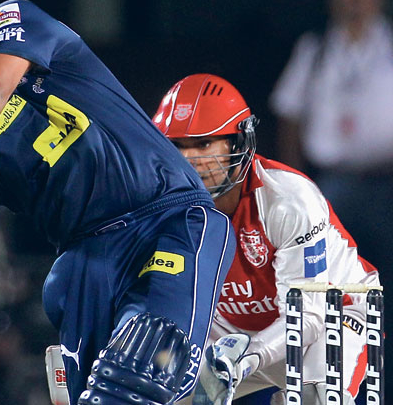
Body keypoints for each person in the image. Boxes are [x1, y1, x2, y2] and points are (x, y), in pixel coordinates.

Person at [0, 0, 236, 404]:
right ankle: (210, 378)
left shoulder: (10, 23)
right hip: (85, 258)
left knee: (137, 378)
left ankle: (216, 372)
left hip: (162, 218)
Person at [152, 73, 380, 404]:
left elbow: (308, 319)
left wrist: (249, 355)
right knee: (154, 388)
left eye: (203, 144)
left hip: (334, 315)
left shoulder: (288, 199)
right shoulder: (160, 207)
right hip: (237, 332)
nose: (190, 162)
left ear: (238, 142)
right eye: (177, 146)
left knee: (314, 398)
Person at [269, 0, 393, 315]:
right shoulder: (316, 49)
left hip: (387, 184)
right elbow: (288, 114)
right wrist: (292, 188)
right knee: (328, 281)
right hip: (332, 187)